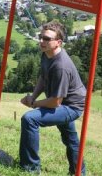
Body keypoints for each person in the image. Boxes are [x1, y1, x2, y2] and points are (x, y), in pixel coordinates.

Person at [19, 21, 86, 175]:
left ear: (58, 42)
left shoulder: (61, 66)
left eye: (47, 39)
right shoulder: (46, 54)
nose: (42, 41)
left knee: (29, 119)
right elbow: (43, 77)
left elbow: (56, 102)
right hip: (62, 102)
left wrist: (34, 104)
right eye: (41, 37)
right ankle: (79, 173)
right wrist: (33, 96)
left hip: (71, 106)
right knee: (71, 140)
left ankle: (31, 169)